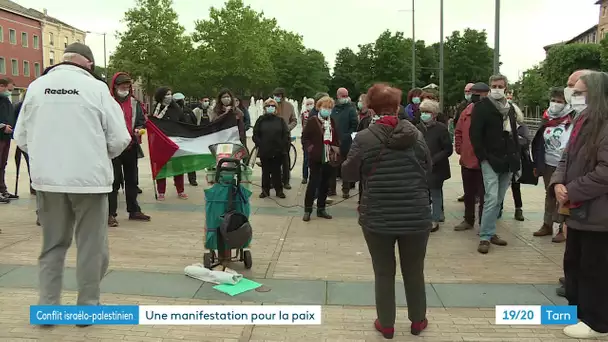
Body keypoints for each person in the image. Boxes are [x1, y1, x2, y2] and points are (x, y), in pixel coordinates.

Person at [13, 43, 132, 309]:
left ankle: (48, 307)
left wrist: (46, 160)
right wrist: (99, 157)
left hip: (48, 182)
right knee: (92, 247)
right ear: (89, 63)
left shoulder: (36, 87)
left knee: (52, 246)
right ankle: (87, 307)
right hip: (90, 182)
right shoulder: (97, 89)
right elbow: (120, 138)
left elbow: (21, 138)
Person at [342, 83, 432, 339]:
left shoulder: (364, 138)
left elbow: (348, 173)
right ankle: (417, 321)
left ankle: (387, 325)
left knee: (383, 271)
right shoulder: (416, 134)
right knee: (414, 270)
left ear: (371, 109)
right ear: (397, 107)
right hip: (416, 215)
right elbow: (428, 169)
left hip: (377, 216)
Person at [549, 71, 608, 339]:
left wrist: (571, 190)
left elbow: (605, 172)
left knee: (593, 268)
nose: (574, 96)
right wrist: (559, 182)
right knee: (573, 263)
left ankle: (595, 321)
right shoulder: (582, 119)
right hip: (577, 210)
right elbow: (566, 156)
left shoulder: (604, 124)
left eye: (581, 91)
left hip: (598, 214)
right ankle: (578, 312)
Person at [470, 74, 520, 254]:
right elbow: (475, 134)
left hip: (508, 159)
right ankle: (484, 236)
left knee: (498, 199)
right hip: (490, 159)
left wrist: (517, 159)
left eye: (500, 85)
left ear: (506, 87)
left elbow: (514, 133)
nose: (497, 88)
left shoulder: (510, 108)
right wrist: (482, 156)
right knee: (491, 197)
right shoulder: (482, 107)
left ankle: (491, 232)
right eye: (494, 85)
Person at [106, 72, 151, 227]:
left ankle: (134, 210)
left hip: (130, 146)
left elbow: (140, 121)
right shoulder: (107, 102)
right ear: (115, 86)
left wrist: (139, 128)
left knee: (132, 180)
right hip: (113, 148)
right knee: (113, 181)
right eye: (122, 87)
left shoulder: (134, 103)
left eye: (127, 87)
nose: (125, 89)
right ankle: (110, 213)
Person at [531, 87, 575, 241]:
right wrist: (537, 163)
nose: (555, 104)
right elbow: (538, 142)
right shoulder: (547, 118)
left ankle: (562, 229)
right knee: (549, 194)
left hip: (565, 165)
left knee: (563, 196)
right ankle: (547, 224)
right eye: (554, 100)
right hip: (548, 163)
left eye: (560, 101)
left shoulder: (572, 119)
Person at [454, 82, 489, 231]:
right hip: (467, 160)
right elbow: (458, 132)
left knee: (484, 196)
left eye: (479, 94)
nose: (475, 97)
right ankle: (468, 220)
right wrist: (460, 149)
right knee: (468, 193)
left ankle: (484, 223)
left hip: (485, 161)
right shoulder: (466, 112)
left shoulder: (491, 112)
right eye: (473, 93)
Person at [301, 96, 339, 221]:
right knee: (313, 183)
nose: (327, 110)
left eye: (329, 108)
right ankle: (307, 209)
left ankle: (321, 209)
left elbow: (336, 138)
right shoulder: (313, 120)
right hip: (316, 157)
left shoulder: (332, 121)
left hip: (329, 157)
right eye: (324, 107)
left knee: (325, 184)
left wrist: (336, 149)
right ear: (319, 107)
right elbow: (305, 137)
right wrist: (310, 148)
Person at [418, 99, 452, 232]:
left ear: (434, 114)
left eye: (427, 112)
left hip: (437, 167)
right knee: (424, 193)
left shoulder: (441, 129)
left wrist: (433, 159)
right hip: (421, 166)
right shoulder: (417, 128)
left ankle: (435, 219)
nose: (424, 115)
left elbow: (448, 149)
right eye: (422, 112)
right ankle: (426, 216)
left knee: (435, 192)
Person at [151, 87, 188, 200]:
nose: (169, 96)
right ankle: (161, 191)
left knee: (178, 167)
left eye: (170, 94)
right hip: (159, 143)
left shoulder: (175, 109)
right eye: (167, 94)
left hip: (174, 142)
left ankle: (180, 190)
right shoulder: (155, 109)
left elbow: (183, 123)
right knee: (161, 167)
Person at [252, 98, 289, 199]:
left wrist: (281, 145)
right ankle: (265, 191)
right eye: (268, 106)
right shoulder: (260, 120)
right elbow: (255, 135)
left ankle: (279, 191)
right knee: (265, 172)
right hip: (265, 150)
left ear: (276, 108)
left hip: (278, 151)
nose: (270, 108)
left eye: (273, 106)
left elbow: (285, 134)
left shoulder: (280, 120)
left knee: (277, 172)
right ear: (264, 108)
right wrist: (261, 144)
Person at [330, 88, 358, 199]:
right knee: (332, 166)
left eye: (346, 95)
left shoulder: (351, 109)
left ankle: (345, 190)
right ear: (337, 96)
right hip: (334, 142)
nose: (344, 97)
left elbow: (354, 125)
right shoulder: (333, 109)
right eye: (342, 95)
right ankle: (331, 189)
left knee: (345, 167)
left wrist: (346, 136)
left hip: (346, 143)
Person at [272, 88, 297, 189]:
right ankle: (273, 180)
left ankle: (286, 181)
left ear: (282, 96)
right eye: (275, 95)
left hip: (285, 137)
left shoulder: (289, 106)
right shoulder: (271, 105)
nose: (276, 98)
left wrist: (288, 127)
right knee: (273, 160)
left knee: (285, 160)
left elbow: (294, 120)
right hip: (272, 137)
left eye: (278, 96)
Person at [173, 93, 199, 187]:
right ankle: (178, 181)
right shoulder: (171, 112)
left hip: (188, 139)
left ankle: (192, 179)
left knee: (190, 160)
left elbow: (194, 123)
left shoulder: (188, 111)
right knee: (177, 161)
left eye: (181, 100)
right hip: (177, 139)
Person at [0, 77, 16, 202]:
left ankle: (2, 190)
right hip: (1, 135)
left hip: (6, 137)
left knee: (2, 164)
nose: (9, 91)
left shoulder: (6, 100)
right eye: (8, 89)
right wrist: (2, 126)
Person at [300, 98, 315, 184]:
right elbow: (304, 125)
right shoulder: (304, 114)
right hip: (306, 137)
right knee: (306, 158)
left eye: (311, 104)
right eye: (307, 104)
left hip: (314, 138)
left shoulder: (317, 113)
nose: (309, 106)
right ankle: (305, 177)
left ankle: (311, 176)